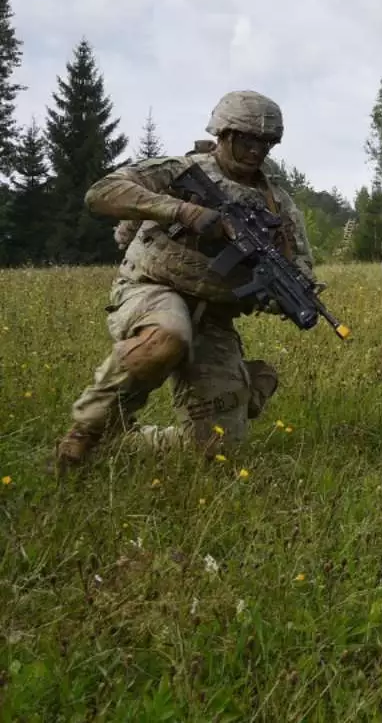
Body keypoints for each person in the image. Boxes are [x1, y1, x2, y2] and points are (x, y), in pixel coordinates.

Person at [54, 91, 316, 469]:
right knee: (167, 336)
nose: (256, 151)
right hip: (152, 289)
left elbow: (303, 266)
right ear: (223, 134)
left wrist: (277, 290)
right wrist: (184, 211)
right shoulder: (181, 171)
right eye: (246, 140)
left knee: (219, 451)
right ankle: (84, 433)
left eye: (266, 143)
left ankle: (124, 442)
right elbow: (101, 193)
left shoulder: (277, 203)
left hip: (213, 317)